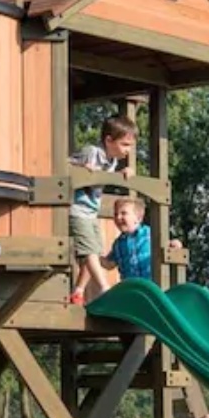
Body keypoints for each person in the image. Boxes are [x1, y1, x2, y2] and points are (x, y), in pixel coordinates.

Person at [68, 113, 138, 305]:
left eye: (130, 146)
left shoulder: (112, 161)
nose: (128, 150)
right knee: (89, 251)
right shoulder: (91, 152)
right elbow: (63, 163)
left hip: (91, 213)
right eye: (125, 145)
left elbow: (107, 175)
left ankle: (78, 291)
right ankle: (104, 288)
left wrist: (123, 173)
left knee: (95, 254)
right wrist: (81, 166)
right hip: (77, 209)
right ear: (108, 140)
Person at [100, 197, 182, 281]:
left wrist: (175, 244)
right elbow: (109, 264)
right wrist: (95, 257)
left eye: (123, 213)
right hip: (130, 287)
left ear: (138, 218)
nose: (118, 217)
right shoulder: (117, 244)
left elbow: (167, 245)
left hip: (151, 284)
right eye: (116, 214)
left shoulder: (150, 234)